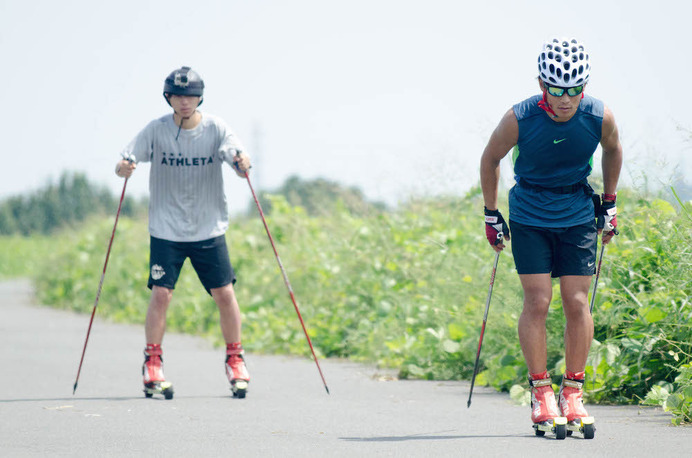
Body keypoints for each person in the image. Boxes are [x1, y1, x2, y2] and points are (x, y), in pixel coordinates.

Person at [479, 38, 622, 435]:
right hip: (529, 213)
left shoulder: (599, 115)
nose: (566, 99)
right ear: (543, 84)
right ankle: (541, 392)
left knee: (577, 301)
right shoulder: (519, 118)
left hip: (576, 211)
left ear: (584, 86)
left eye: (574, 89)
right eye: (557, 89)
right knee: (538, 301)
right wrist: (491, 215)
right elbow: (490, 159)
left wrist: (609, 202)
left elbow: (613, 149)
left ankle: (573, 392)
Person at [115, 66, 253, 399]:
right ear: (169, 98)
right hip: (166, 228)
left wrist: (242, 163)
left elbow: (239, 161)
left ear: (199, 97)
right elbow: (123, 163)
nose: (184, 101)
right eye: (178, 95)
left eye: (190, 95)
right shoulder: (156, 130)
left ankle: (235, 359)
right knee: (162, 294)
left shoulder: (216, 128)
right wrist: (125, 168)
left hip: (208, 227)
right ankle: (152, 363)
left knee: (224, 294)